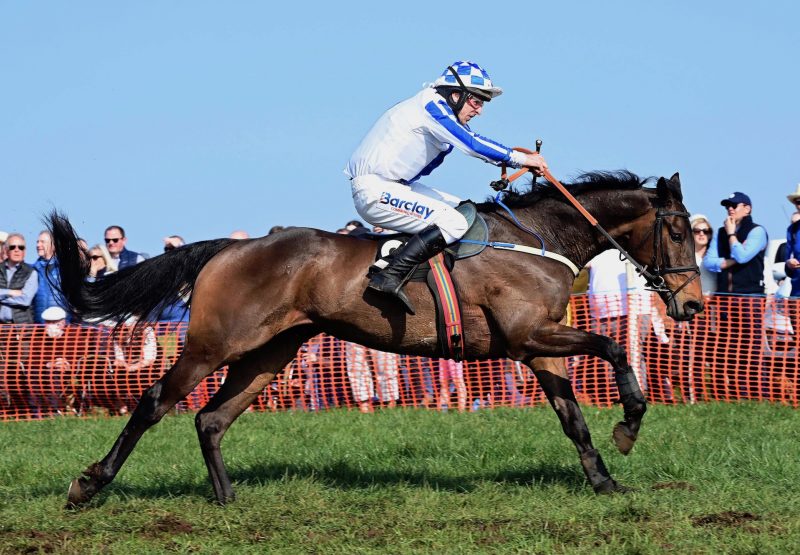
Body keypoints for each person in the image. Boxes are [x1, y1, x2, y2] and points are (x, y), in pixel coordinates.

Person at [345, 61, 548, 313]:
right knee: (455, 223)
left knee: (466, 210)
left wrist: (509, 161)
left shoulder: (440, 110)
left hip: (396, 187)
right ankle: (389, 275)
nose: (480, 110)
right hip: (376, 190)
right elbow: (472, 144)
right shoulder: (431, 106)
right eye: (477, 101)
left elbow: (473, 142)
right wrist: (522, 159)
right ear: (455, 94)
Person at [703, 192, 768, 400]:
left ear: (747, 208)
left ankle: (759, 396)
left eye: (734, 205)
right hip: (725, 300)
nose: (730, 209)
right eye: (727, 206)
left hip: (750, 299)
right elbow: (710, 262)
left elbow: (742, 255)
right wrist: (729, 261)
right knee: (729, 351)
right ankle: (737, 396)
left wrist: (732, 236)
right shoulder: (720, 232)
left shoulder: (757, 231)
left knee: (751, 350)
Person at [0, 234, 38, 324]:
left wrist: (2, 296)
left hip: (21, 330)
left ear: (24, 251)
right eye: (13, 247)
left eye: (21, 247)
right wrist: (11, 292)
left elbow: (25, 300)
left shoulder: (31, 273)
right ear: (6, 250)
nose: (17, 250)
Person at [32, 231, 70, 323]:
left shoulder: (65, 269)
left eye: (42, 242)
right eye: (37, 242)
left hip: (63, 328)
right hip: (39, 327)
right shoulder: (32, 269)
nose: (38, 245)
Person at [689, 214, 716, 295]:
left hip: (714, 304)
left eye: (706, 231)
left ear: (710, 234)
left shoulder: (716, 258)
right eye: (697, 231)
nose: (701, 234)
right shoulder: (684, 259)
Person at [784, 185, 800, 297]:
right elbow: (787, 258)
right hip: (797, 292)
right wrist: (789, 264)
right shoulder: (792, 230)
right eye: (797, 202)